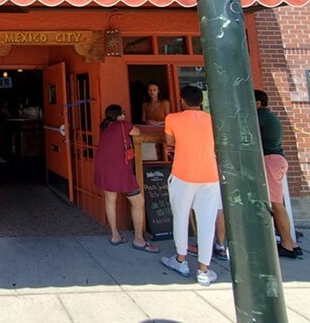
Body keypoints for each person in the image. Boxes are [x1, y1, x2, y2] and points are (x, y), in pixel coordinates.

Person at [160, 85, 221, 286]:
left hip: (183, 174)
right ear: (201, 102)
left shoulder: (172, 118)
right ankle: (204, 269)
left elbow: (169, 141)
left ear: (182, 101)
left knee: (180, 217)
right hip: (210, 175)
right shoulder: (214, 119)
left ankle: (181, 260)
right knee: (207, 221)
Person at [94, 104, 159, 253]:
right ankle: (139, 239)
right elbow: (137, 132)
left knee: (110, 200)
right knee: (138, 201)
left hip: (104, 167)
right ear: (119, 115)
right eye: (123, 113)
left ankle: (115, 235)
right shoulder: (123, 124)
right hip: (121, 169)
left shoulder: (104, 126)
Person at [255, 89, 303, 259]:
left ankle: (287, 244)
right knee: (277, 203)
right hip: (276, 160)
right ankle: (290, 242)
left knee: (276, 205)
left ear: (257, 103)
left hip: (270, 160)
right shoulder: (269, 117)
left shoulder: (259, 118)